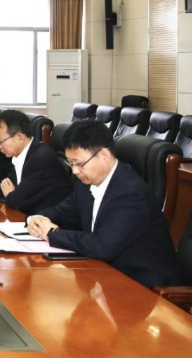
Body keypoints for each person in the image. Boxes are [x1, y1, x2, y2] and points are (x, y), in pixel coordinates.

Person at [27, 120, 180, 288]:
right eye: (71, 163)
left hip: (142, 287)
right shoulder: (87, 183)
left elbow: (102, 246)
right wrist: (38, 218)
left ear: (104, 155)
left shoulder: (131, 194)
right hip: (104, 274)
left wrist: (52, 233)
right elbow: (63, 212)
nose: (75, 171)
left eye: (79, 164)